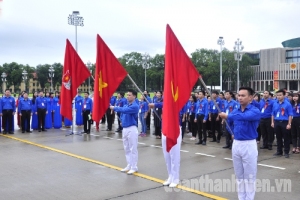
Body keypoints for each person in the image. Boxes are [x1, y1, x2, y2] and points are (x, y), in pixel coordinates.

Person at [219, 86, 261, 200]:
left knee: (249, 175)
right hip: (237, 143)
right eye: (239, 95)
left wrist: (227, 115)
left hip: (249, 144)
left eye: (243, 95)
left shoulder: (255, 111)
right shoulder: (236, 110)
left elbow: (244, 117)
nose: (240, 98)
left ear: (250, 97)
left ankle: (249, 198)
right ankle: (241, 197)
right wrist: (232, 132)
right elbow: (229, 123)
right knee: (239, 175)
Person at [110, 90, 139, 175]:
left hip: (132, 128)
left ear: (134, 96)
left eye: (129, 95)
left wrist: (114, 107)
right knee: (126, 148)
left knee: (133, 148)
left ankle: (134, 167)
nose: (127, 96)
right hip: (125, 128)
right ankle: (129, 165)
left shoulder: (135, 106)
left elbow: (124, 110)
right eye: (127, 95)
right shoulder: (127, 104)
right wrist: (122, 120)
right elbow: (123, 113)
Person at [271, 89, 293, 158]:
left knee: (286, 138)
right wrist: (272, 122)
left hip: (284, 122)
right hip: (277, 122)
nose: (278, 96)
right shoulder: (275, 103)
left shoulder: (287, 104)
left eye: (280, 95)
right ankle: (279, 151)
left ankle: (286, 152)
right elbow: (273, 114)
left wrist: (289, 124)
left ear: (284, 95)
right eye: (277, 95)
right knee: (278, 137)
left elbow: (290, 114)